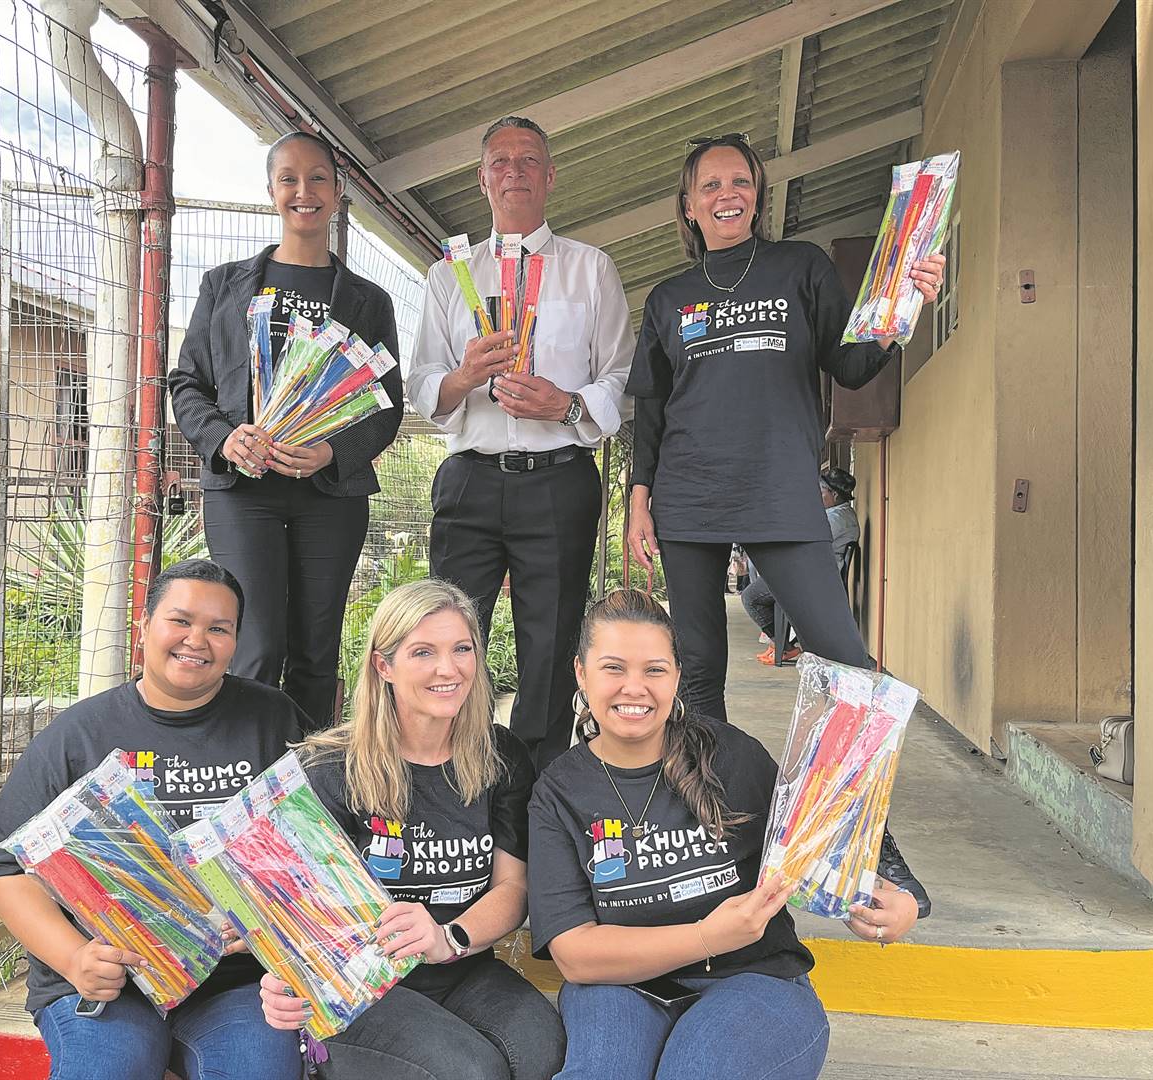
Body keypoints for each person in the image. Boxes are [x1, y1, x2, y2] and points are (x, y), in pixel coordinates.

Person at [623, 134, 942, 912]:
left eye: (739, 181)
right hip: (690, 496)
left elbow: (853, 364)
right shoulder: (668, 297)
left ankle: (865, 841)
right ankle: (712, 834)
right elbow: (652, 411)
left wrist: (905, 306)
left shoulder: (800, 268)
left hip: (779, 490)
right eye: (710, 185)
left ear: (758, 195)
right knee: (698, 673)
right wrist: (638, 496)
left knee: (848, 666)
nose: (726, 194)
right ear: (688, 205)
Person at [529, 590, 918, 1080]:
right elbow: (576, 954)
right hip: (620, 985)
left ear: (676, 676)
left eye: (654, 670)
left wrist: (889, 902)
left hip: (754, 977)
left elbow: (817, 848)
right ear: (582, 674)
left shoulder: (731, 755)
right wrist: (706, 937)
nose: (634, 687)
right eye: (613, 668)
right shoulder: (559, 792)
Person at [0, 560, 306, 1080]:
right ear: (144, 626)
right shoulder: (79, 734)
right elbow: (6, 873)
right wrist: (75, 959)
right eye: (181, 621)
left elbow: (318, 842)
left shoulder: (273, 719)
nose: (197, 640)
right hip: (111, 977)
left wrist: (274, 919)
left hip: (237, 981)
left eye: (219, 628)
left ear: (236, 642)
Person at [262, 578, 565, 1080]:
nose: (448, 668)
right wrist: (281, 975)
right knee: (471, 1072)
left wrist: (449, 939)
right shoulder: (328, 769)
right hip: (363, 984)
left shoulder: (501, 756)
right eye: (423, 652)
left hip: (462, 965)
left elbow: (513, 887)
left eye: (461, 649)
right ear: (384, 666)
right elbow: (285, 905)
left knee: (542, 1052)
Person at [406, 115, 635, 771]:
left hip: (560, 477)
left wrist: (566, 405)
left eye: (529, 160)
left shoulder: (590, 269)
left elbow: (619, 376)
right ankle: (454, 772)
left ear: (550, 176)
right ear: (482, 180)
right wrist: (463, 377)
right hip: (470, 477)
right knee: (449, 634)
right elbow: (422, 382)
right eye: (500, 162)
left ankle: (538, 787)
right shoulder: (449, 274)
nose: (515, 172)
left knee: (551, 639)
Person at [169, 130, 403, 731]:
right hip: (244, 493)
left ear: (338, 191)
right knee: (256, 644)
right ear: (271, 190)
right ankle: (251, 770)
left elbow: (386, 407)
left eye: (318, 178)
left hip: (330, 495)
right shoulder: (224, 286)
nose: (305, 191)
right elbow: (187, 384)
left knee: (316, 651)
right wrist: (224, 439)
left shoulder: (368, 301)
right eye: (289, 179)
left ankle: (309, 771)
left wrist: (331, 451)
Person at [743, 467, 861, 665]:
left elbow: (805, 543)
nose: (817, 497)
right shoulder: (838, 514)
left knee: (751, 597)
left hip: (811, 578)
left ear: (834, 494)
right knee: (760, 576)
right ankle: (779, 643)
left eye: (821, 493)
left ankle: (782, 645)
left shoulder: (836, 519)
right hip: (810, 573)